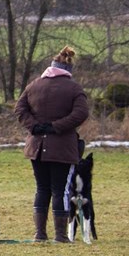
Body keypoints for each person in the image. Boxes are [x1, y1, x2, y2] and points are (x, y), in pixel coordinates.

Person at [14, 46, 90, 243]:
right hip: (62, 148)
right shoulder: (74, 88)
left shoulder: (33, 85)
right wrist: (56, 127)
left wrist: (35, 127)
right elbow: (81, 113)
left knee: (42, 189)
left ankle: (40, 234)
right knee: (61, 190)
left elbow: (20, 109)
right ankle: (61, 236)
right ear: (69, 69)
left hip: (36, 148)